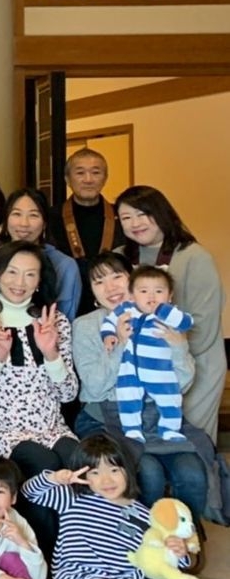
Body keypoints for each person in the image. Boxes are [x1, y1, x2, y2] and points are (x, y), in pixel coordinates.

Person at [70, 253, 220, 524]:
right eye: (99, 281)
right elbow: (94, 386)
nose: (110, 287)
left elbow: (182, 384)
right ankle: (141, 537)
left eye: (117, 276)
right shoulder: (86, 326)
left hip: (157, 417)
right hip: (105, 418)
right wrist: (121, 344)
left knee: (192, 472)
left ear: (133, 280)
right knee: (148, 473)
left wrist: (179, 346)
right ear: (91, 291)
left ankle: (184, 535)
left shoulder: (160, 318)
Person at [22, 434, 222, 579]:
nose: (106, 480)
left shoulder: (145, 514)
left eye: (114, 470)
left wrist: (178, 550)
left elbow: (163, 558)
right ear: (83, 476)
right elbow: (29, 492)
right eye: (95, 473)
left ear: (128, 470)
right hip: (81, 577)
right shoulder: (72, 498)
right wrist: (55, 478)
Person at [0, 240, 78, 556]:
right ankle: (40, 556)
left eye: (30, 274)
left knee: (80, 462)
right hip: (5, 432)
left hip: (52, 428)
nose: (20, 282)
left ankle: (77, 553)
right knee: (45, 465)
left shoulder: (55, 322)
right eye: (12, 272)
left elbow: (69, 393)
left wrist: (51, 353)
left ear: (40, 280)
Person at [116, 185, 226, 444]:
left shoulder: (194, 256)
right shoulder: (121, 257)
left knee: (191, 441)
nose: (135, 223)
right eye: (126, 217)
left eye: (143, 214)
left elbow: (204, 322)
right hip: (142, 366)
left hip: (194, 363)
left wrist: (174, 358)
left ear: (161, 213)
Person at [102, 266, 193, 442]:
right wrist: (108, 335)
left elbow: (186, 322)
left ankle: (170, 429)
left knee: (170, 399)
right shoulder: (126, 309)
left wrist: (163, 310)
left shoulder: (169, 314)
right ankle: (132, 429)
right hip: (130, 368)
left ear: (170, 295)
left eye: (159, 291)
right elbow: (109, 321)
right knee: (127, 397)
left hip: (160, 371)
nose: (151, 297)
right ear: (131, 295)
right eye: (143, 291)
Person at [0, 187, 82, 326]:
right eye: (16, 214)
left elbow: (66, 321)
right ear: (6, 219)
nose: (24, 223)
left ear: (44, 223)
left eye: (33, 215)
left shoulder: (64, 266)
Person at [54, 148, 121, 316]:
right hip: (66, 306)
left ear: (105, 178)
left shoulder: (121, 215)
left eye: (96, 172)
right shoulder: (51, 217)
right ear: (67, 179)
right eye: (80, 173)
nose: (88, 179)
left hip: (115, 303)